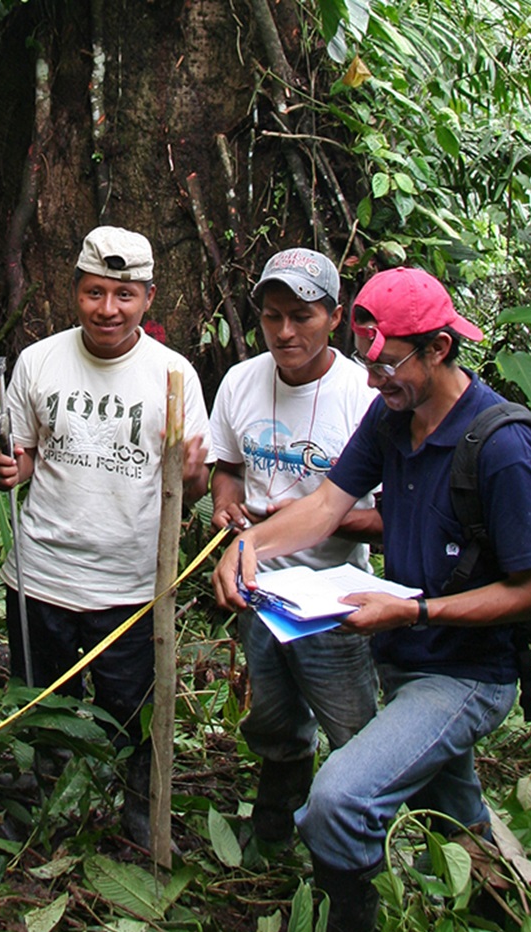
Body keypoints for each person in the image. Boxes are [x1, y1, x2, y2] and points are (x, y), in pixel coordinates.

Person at [213, 266, 531, 932]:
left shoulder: (501, 446)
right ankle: (512, 922)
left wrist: (417, 612)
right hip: (403, 655)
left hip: (464, 672)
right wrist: (252, 548)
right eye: (369, 361)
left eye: (390, 363)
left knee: (340, 797)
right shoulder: (392, 418)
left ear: (438, 349)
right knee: (452, 807)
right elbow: (327, 507)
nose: (375, 379)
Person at [0, 226, 212, 847]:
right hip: (44, 573)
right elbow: (28, 451)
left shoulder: (173, 375)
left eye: (124, 295)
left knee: (129, 711)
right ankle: (45, 802)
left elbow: (187, 489)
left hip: (130, 584)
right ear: (76, 292)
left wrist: (194, 478)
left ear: (148, 298)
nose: (107, 309)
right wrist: (14, 466)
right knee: (44, 701)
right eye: (94, 293)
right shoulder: (40, 361)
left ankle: (137, 809)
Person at [208, 249, 382, 845]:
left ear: (335, 317)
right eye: (272, 316)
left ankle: (359, 841)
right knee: (275, 719)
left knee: (354, 727)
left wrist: (320, 520)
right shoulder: (241, 381)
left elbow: (392, 518)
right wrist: (226, 501)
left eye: (302, 316)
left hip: (334, 599)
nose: (285, 332)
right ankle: (276, 827)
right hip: (258, 591)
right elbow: (226, 464)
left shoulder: (363, 396)